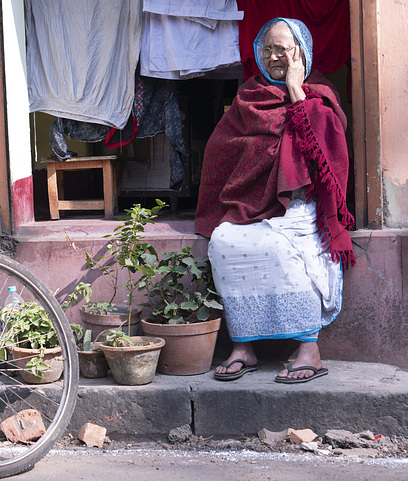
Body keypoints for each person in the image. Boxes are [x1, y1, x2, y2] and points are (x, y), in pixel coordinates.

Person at [194, 18, 355, 383]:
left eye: (283, 48)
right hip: (253, 204)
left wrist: (296, 91)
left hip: (301, 205)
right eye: (266, 49)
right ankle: (243, 345)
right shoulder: (249, 97)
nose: (273, 56)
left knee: (282, 247)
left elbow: (322, 156)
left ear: (302, 52)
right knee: (223, 242)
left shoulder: (320, 97)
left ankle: (308, 349)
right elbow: (222, 151)